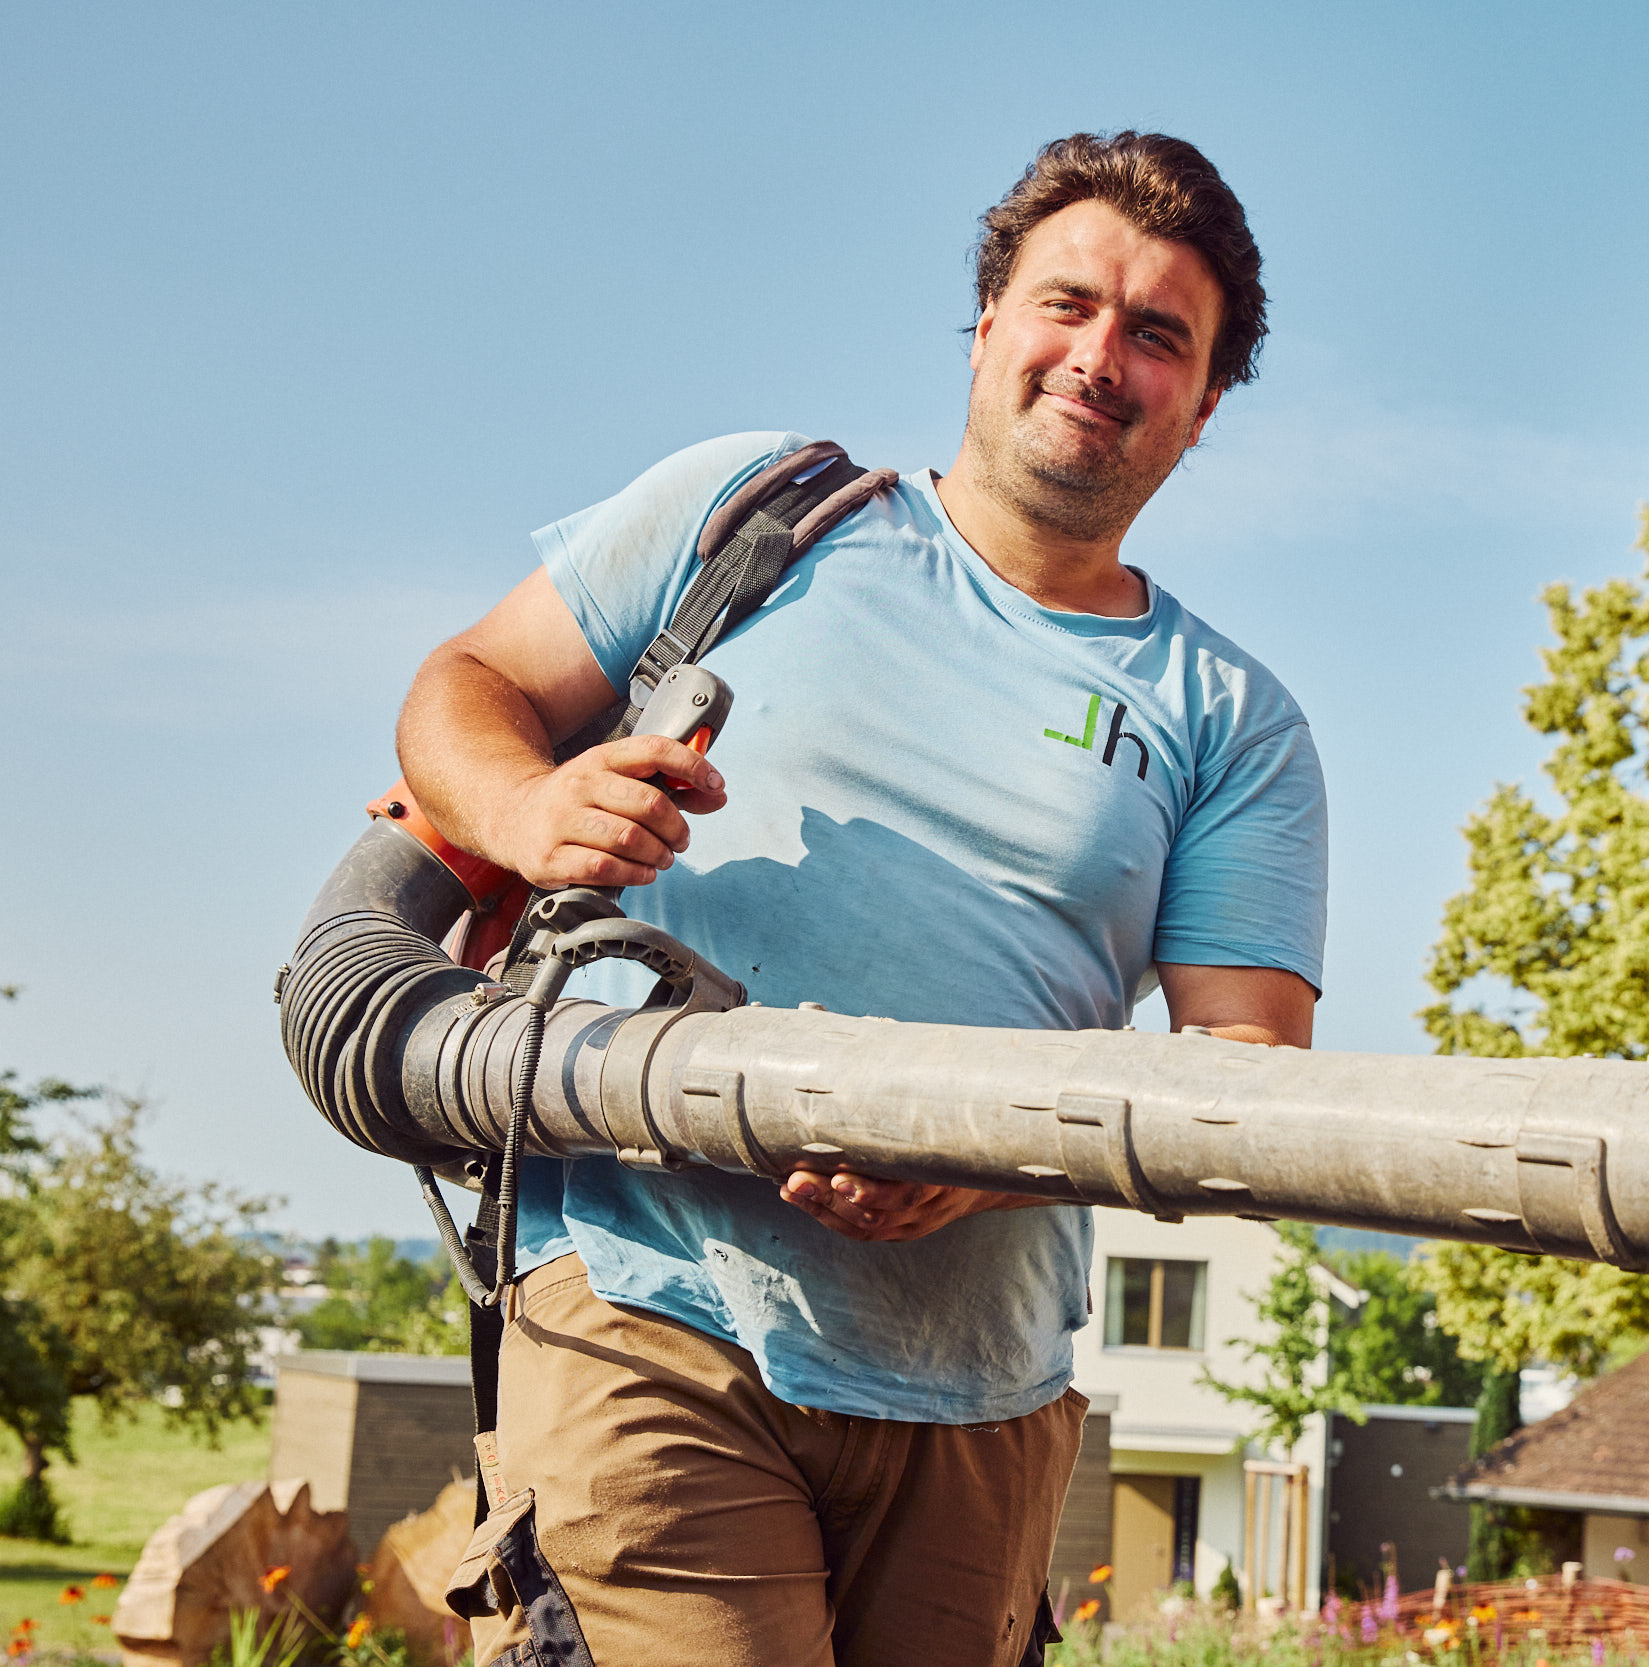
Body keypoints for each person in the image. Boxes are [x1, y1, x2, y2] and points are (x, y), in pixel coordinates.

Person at [394, 131, 1326, 1667]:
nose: (1101, 357)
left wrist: (988, 1161)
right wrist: (524, 807)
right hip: (649, 1303)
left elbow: (1247, 1074)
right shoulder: (757, 517)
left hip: (981, 1394)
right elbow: (470, 680)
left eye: (1159, 335)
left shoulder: (1231, 719)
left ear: (1205, 402)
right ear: (987, 325)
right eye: (1067, 304)